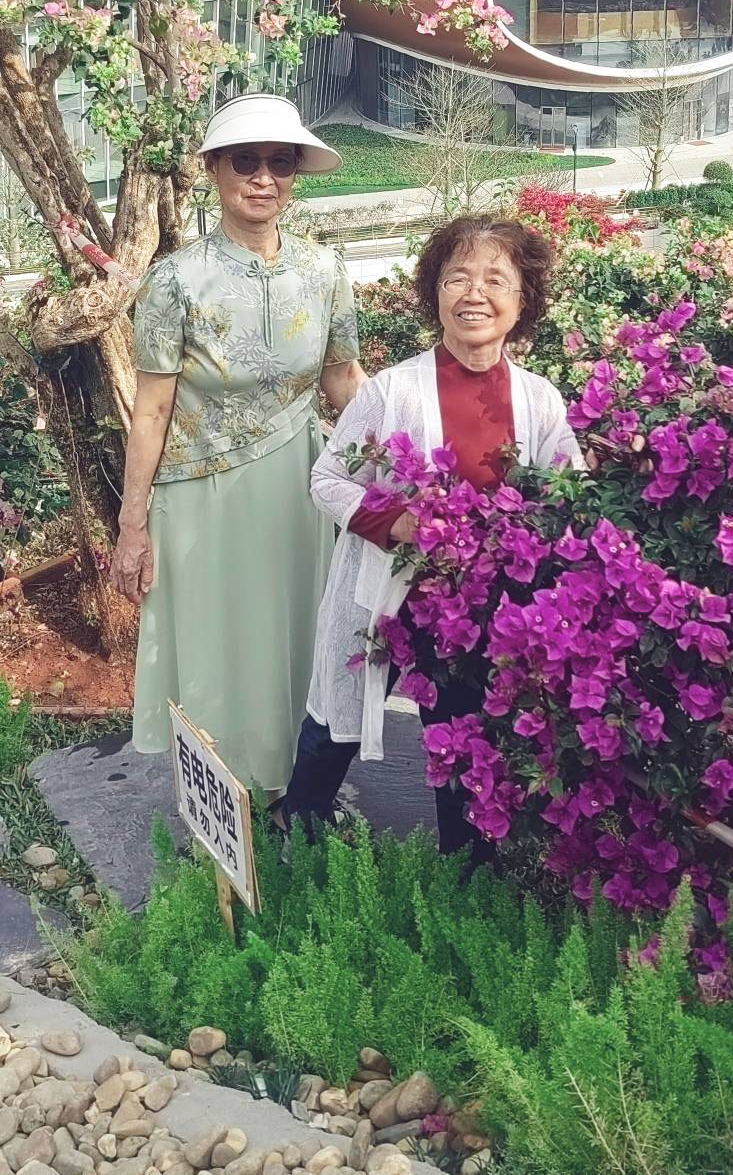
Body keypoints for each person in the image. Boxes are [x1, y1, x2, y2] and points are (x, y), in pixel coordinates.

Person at [282, 215, 583, 857]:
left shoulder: (540, 402)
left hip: (476, 617)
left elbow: (568, 494)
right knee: (337, 719)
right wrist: (395, 522)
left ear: (522, 300)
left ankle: (465, 871)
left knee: (462, 735)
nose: (475, 294)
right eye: (457, 278)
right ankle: (297, 837)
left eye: (495, 280)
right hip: (386, 599)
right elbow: (327, 478)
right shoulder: (392, 392)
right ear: (435, 292)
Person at [110, 94, 365, 796]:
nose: (263, 178)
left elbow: (344, 382)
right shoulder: (173, 280)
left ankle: (291, 790)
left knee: (292, 634)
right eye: (245, 161)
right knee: (216, 640)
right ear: (215, 171)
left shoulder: (324, 272)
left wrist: (406, 462)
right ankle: (221, 802)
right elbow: (152, 409)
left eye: (279, 163)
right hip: (201, 493)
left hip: (297, 488)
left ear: (295, 174)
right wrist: (132, 525)